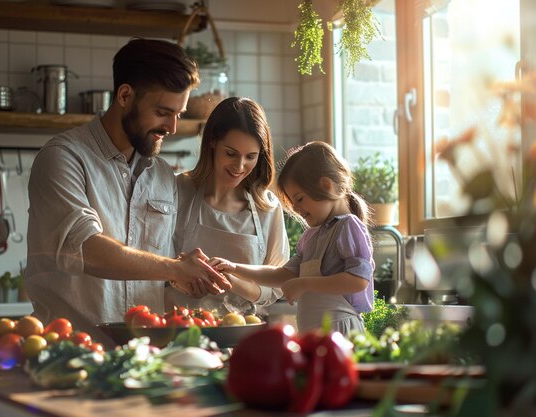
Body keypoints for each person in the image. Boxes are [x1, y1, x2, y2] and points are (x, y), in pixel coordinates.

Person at [25, 38, 231, 345]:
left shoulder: (161, 174)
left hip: (145, 356)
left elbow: (150, 265)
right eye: (163, 112)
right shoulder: (63, 158)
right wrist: (174, 268)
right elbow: (87, 251)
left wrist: (181, 276)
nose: (172, 127)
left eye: (179, 113)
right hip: (72, 353)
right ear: (124, 95)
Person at [209, 141, 375, 335]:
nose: (295, 208)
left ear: (326, 186)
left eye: (299, 199)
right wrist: (234, 267)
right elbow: (282, 274)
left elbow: (358, 280)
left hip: (341, 332)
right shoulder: (312, 237)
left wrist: (305, 283)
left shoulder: (348, 226)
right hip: (315, 333)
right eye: (292, 201)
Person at [166, 97, 289, 316]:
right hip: (179, 332)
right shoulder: (176, 191)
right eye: (231, 153)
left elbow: (275, 286)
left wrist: (228, 279)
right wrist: (178, 276)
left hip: (242, 335)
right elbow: (152, 261)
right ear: (212, 141)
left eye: (250, 156)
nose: (240, 166)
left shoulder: (267, 207)